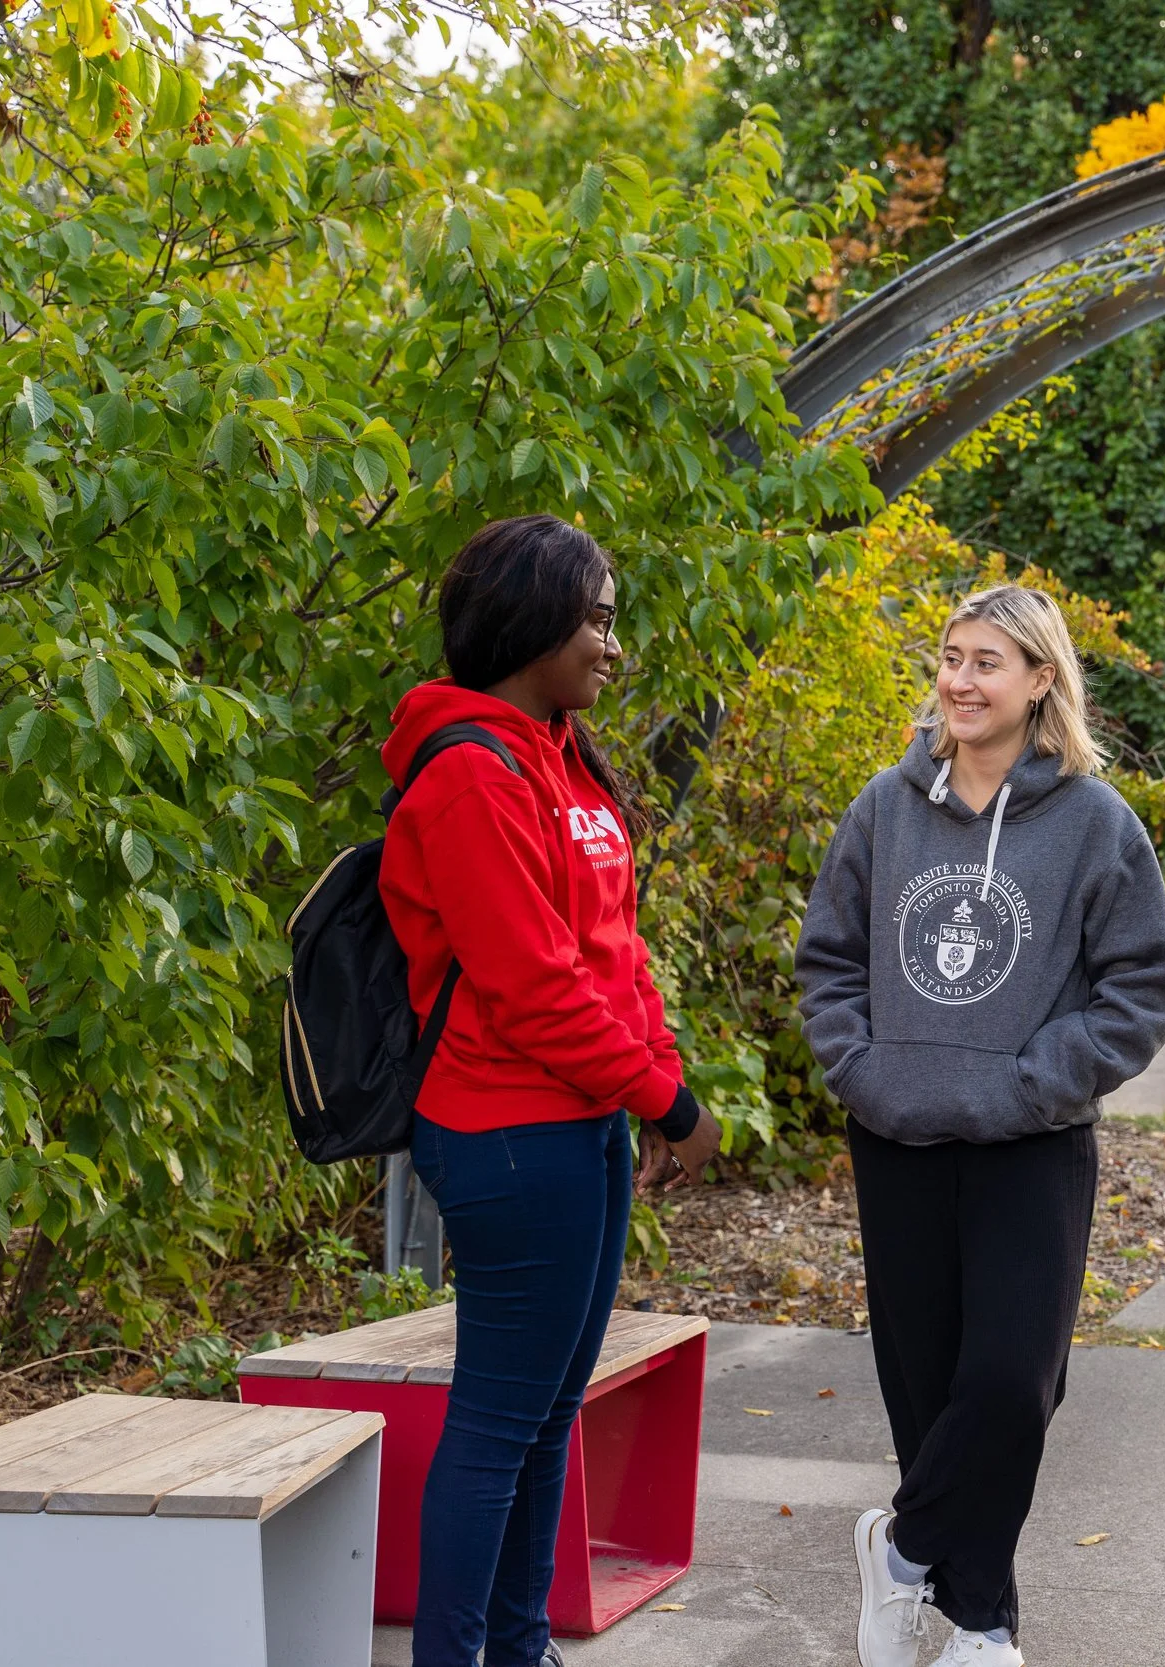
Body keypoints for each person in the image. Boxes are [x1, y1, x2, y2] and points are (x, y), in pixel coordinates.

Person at [796, 585, 1165, 1667]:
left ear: (1042, 681)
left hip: (1030, 1139)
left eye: (987, 662)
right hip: (898, 1135)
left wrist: (1030, 1083)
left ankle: (904, 1544)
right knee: (927, 1386)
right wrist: (863, 1071)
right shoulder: (886, 803)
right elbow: (829, 957)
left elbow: (1137, 987)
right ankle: (980, 1622)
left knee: (1015, 1379)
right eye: (951, 658)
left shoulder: (1096, 821)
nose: (959, 680)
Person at [378, 513, 722, 1667]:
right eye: (598, 620)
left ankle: (522, 1649)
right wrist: (664, 1101)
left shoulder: (559, 750)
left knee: (542, 1416)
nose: (612, 647)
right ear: (531, 621)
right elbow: (530, 983)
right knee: (497, 1419)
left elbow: (611, 951)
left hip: (581, 1124)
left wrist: (657, 1078)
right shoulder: (471, 774)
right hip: (507, 1129)